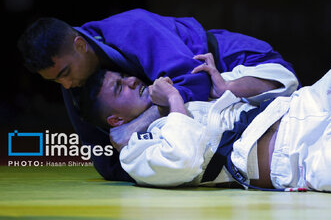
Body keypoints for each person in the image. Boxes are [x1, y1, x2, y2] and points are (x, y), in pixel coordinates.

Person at [17, 9, 299, 181]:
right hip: (213, 99)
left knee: (210, 98)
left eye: (64, 73)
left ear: (80, 45)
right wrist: (148, 165)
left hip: (236, 64)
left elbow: (194, 82)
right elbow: (103, 154)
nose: (65, 85)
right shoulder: (74, 80)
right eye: (56, 80)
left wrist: (137, 127)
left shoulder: (133, 28)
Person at [81, 43, 331, 193]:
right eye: (119, 88)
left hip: (314, 101)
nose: (131, 81)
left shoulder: (195, 89)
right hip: (302, 158)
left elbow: (286, 81)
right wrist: (174, 101)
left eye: (125, 76)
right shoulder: (136, 152)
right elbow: (182, 161)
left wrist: (227, 88)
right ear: (115, 120)